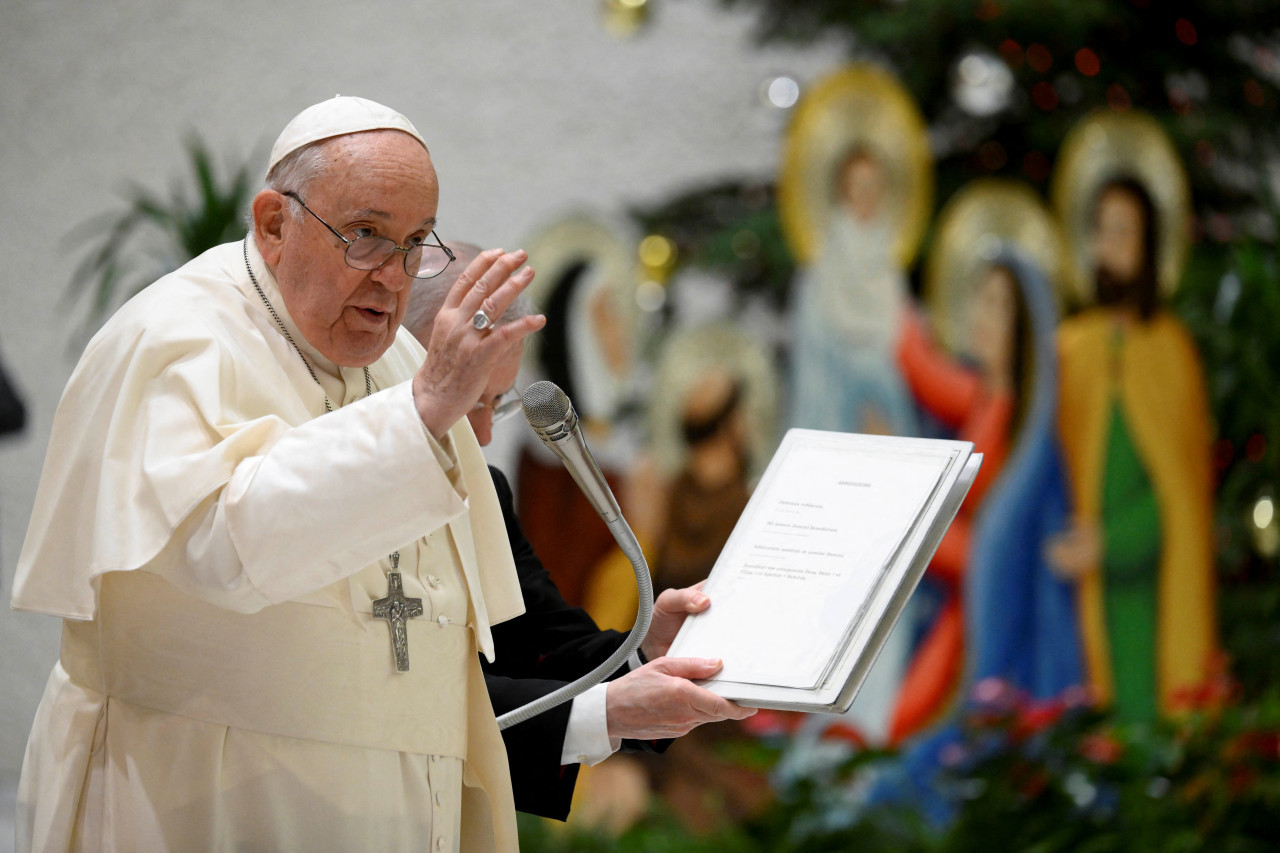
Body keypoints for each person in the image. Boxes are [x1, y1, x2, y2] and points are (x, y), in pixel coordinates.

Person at [8, 96, 743, 853]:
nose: (392, 276)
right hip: (195, 806)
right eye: (365, 235)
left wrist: (636, 660)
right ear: (272, 223)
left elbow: (443, 660)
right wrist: (421, 408)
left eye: (413, 243)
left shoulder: (389, 362)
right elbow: (227, 545)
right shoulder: (174, 340)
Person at [404, 245, 756, 822]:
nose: (487, 435)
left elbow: (542, 643)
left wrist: (647, 651)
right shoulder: (337, 502)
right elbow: (403, 699)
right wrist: (607, 712)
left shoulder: (482, 490)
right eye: (470, 403)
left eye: (499, 404)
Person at [1049, 176, 1218, 723]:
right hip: (1075, 592)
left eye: (1123, 232)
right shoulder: (1070, 347)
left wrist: (1113, 542)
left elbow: (1182, 494)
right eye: (1100, 231)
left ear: (1148, 245)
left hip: (1148, 595)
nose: (1109, 246)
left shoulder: (1171, 351)